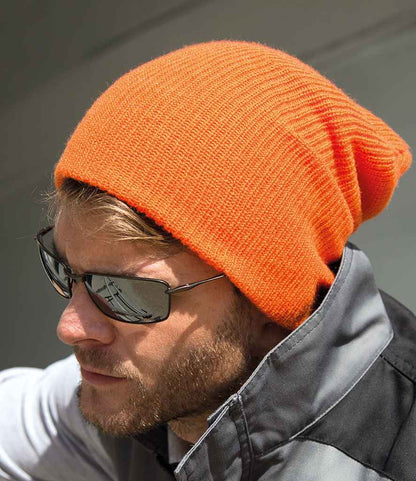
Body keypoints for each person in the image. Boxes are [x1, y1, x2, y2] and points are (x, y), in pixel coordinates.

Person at [0, 40, 414, 481]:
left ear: (267, 300)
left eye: (123, 293)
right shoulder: (149, 387)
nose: (70, 327)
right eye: (64, 269)